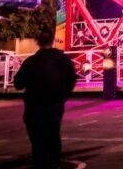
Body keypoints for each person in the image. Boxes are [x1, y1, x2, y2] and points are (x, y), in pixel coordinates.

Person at [14, 28, 77, 169]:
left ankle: (40, 164)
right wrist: (64, 95)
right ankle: (54, 164)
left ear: (37, 42)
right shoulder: (63, 60)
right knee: (54, 135)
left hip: (34, 106)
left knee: (38, 141)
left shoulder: (31, 62)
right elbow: (72, 79)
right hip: (56, 105)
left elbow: (18, 83)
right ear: (53, 40)